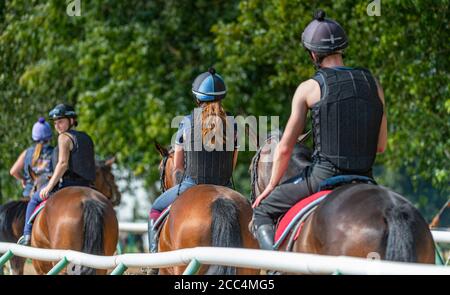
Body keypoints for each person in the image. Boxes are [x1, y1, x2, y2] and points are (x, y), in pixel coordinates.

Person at [251, 10, 388, 251]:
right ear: (342, 49)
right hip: (366, 179)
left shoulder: (309, 88)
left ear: (313, 54)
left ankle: (273, 266)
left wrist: (271, 186)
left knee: (262, 211)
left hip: (323, 178)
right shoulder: (373, 83)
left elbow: (284, 148)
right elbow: (381, 146)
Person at [148, 67, 239, 253]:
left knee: (155, 210)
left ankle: (153, 260)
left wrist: (181, 185)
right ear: (222, 97)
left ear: (197, 98)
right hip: (225, 187)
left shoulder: (187, 122)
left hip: (192, 185)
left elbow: (178, 166)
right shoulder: (234, 123)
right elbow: (232, 163)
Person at [17, 104, 96, 246]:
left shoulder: (64, 138)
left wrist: (49, 187)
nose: (58, 126)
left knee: (34, 200)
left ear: (71, 120)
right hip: (88, 186)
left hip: (67, 184)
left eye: (61, 121)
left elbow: (63, 164)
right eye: (55, 123)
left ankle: (26, 235)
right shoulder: (86, 138)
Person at [10, 118, 54, 198]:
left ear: (34, 137)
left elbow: (13, 171)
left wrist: (23, 179)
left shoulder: (27, 152)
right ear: (50, 136)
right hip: (49, 193)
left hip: (30, 194)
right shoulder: (54, 152)